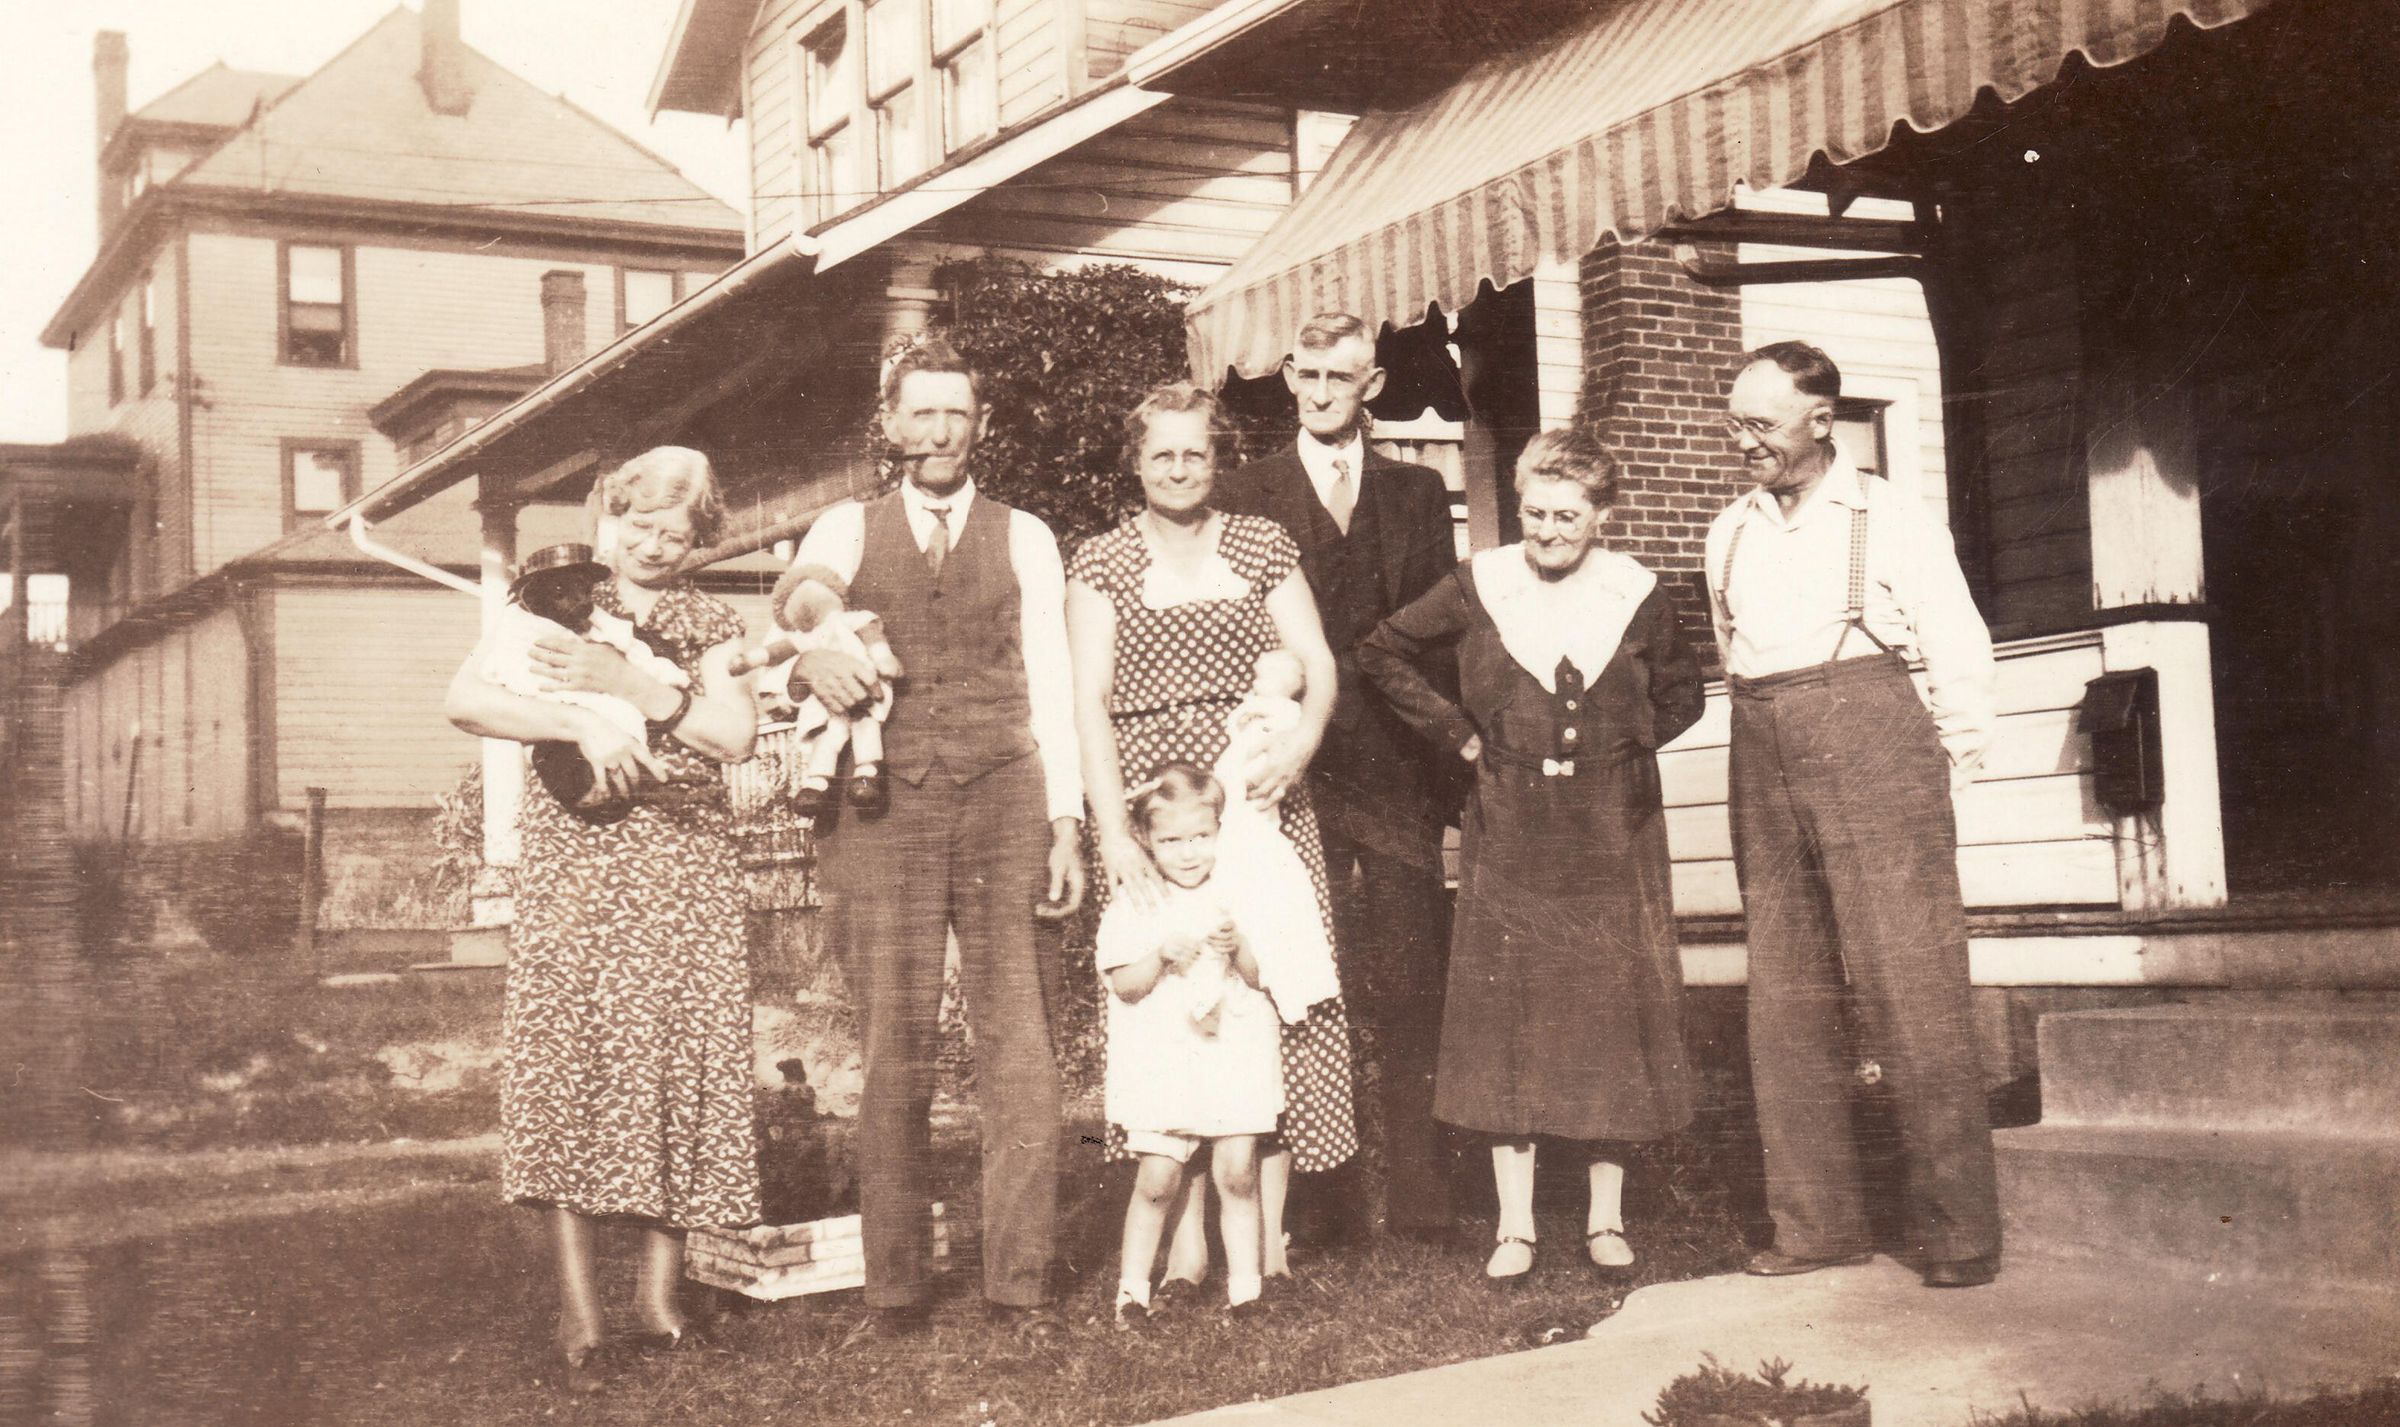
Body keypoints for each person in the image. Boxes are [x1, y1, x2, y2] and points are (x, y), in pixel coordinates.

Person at [442, 446, 762, 1391]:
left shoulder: (712, 621)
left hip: (685, 860)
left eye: (676, 533)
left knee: (677, 1055)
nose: (654, 546)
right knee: (575, 1058)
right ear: (608, 517)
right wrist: (577, 720)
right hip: (581, 858)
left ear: (701, 541)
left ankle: (660, 1298)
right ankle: (580, 1307)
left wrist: (627, 686)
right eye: (639, 525)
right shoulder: (556, 598)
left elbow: (735, 734)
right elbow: (467, 698)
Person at [787, 337, 1086, 1341]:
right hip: (880, 810)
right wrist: (823, 632)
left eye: (957, 412)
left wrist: (1066, 821)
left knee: (1022, 1043)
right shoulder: (847, 523)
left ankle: (1020, 1278)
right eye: (922, 412)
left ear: (981, 426)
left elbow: (1051, 676)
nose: (940, 430)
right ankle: (896, 1286)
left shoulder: (1026, 534)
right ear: (891, 422)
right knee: (893, 1045)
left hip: (1006, 796)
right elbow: (804, 593)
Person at [1359, 427, 1703, 1280]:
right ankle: (1514, 1225)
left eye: (1567, 516)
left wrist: (1620, 751)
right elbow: (1383, 650)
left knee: (1607, 1006)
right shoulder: (1482, 583)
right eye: (1536, 513)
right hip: (1509, 822)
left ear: (1601, 515)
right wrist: (1460, 735)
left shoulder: (1636, 592)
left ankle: (1604, 1220)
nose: (1547, 530)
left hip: (1611, 829)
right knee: (1506, 1008)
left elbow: (1684, 693)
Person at [1704, 341, 2002, 1290]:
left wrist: (1946, 767)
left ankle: (1957, 1232)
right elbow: (1732, 644)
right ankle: (1817, 1223)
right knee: (1784, 991)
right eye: (1737, 423)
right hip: (1761, 739)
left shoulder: (1892, 516)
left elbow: (1958, 647)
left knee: (1909, 983)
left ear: (1822, 420)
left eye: (1762, 424)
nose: (1744, 441)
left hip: (1872, 733)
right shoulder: (1730, 530)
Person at [1067, 381, 1354, 1297]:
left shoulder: (1262, 543)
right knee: (1173, 1009)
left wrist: (1302, 746)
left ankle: (1265, 1236)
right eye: (1162, 453)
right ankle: (1187, 1241)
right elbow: (1089, 701)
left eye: (1195, 451)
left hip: (1258, 796)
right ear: (1136, 461)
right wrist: (1113, 831)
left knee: (1267, 989)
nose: (1180, 467)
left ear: (1217, 456)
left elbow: (1317, 662)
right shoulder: (1103, 559)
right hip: (1160, 813)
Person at [1213, 311, 1462, 1245]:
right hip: (1295, 772)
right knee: (1300, 976)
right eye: (1307, 375)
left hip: (1396, 775)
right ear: (1288, 374)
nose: (1320, 393)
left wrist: (1443, 769)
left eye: (1339, 377)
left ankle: (1425, 1196)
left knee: (1410, 977)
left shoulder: (1418, 491)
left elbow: (1440, 638)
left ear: (1373, 386)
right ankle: (1323, 1203)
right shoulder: (1245, 491)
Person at [1099, 765, 1289, 1326]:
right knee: (1158, 1178)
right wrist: (1159, 956)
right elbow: (1124, 985)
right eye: (1172, 841)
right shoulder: (1136, 901)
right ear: (1147, 841)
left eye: (1201, 837)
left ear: (1219, 831)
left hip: (1232, 1050)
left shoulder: (1240, 894)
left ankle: (1247, 1292)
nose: (1188, 853)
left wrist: (1239, 947)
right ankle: (1132, 1294)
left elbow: (1261, 977)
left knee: (1236, 1171)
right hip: (1166, 1056)